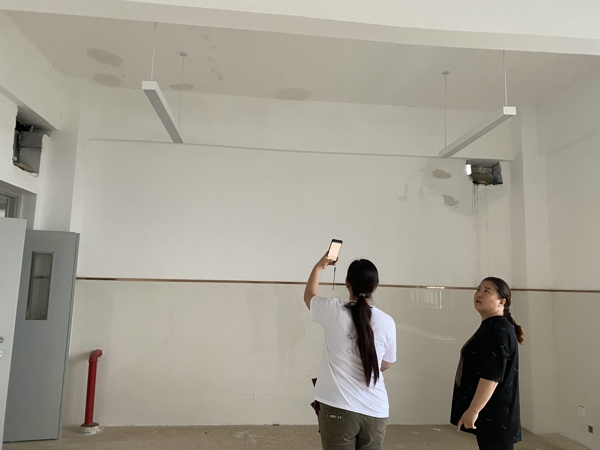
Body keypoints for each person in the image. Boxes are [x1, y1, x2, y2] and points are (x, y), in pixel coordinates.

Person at [304, 253, 397, 450]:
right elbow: (386, 363)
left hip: (338, 408)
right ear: (375, 286)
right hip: (376, 411)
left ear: (347, 283)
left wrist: (320, 266)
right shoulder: (387, 321)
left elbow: (309, 296)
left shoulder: (332, 309)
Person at [451, 277, 524, 450]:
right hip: (490, 415)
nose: (479, 294)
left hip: (496, 416)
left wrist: (473, 410)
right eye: (478, 289)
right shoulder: (492, 325)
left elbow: (492, 376)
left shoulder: (498, 330)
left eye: (487, 291)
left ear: (501, 302)